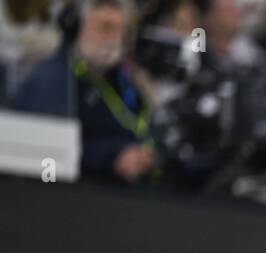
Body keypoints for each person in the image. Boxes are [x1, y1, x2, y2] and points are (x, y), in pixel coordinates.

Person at [11, 0, 160, 184]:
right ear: (77, 27)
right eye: (104, 28)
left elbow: (146, 130)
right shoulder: (53, 80)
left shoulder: (126, 83)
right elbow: (52, 150)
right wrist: (112, 158)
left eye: (120, 31)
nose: (113, 39)